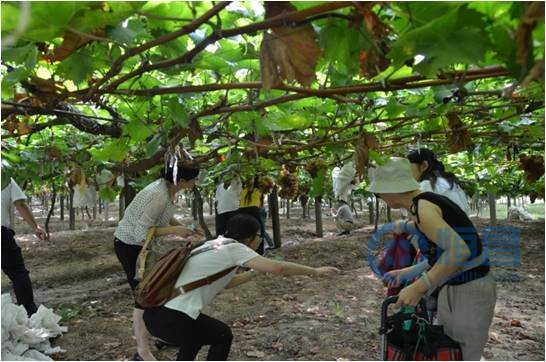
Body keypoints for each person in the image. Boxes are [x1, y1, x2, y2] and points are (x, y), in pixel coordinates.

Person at [142, 214, 339, 361]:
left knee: (197, 335)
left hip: (155, 315)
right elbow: (279, 267)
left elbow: (227, 283)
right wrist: (316, 271)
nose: (261, 240)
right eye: (260, 236)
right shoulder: (235, 249)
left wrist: (254, 273)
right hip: (174, 318)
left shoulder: (213, 245)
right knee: (222, 335)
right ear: (251, 237)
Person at [367, 157, 496, 361]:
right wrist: (408, 273)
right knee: (449, 347)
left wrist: (420, 287)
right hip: (456, 285)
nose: (379, 196)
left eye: (379, 191)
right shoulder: (423, 204)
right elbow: (443, 254)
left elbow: (459, 251)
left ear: (390, 191)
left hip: (470, 288)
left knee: (464, 353)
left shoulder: (424, 209)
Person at [113, 163, 204, 361]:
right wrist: (175, 231)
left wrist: (184, 228)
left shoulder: (167, 189)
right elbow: (141, 232)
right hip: (131, 246)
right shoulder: (158, 194)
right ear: (181, 181)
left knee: (157, 290)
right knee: (144, 296)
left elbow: (164, 217)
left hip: (142, 246)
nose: (196, 183)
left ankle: (164, 335)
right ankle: (142, 350)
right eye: (194, 179)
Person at [1, 176, 48, 316]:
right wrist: (36, 227)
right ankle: (30, 313)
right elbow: (20, 204)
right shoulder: (4, 177)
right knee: (17, 273)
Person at [407, 148, 470, 214]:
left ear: (424, 165)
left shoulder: (426, 185)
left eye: (408, 167)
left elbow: (419, 215)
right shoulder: (447, 181)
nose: (407, 172)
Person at [237, 176, 266, 254]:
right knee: (261, 232)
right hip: (253, 211)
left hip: (241, 212)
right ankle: (259, 252)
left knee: (244, 233)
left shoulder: (242, 191)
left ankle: (244, 251)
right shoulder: (258, 191)